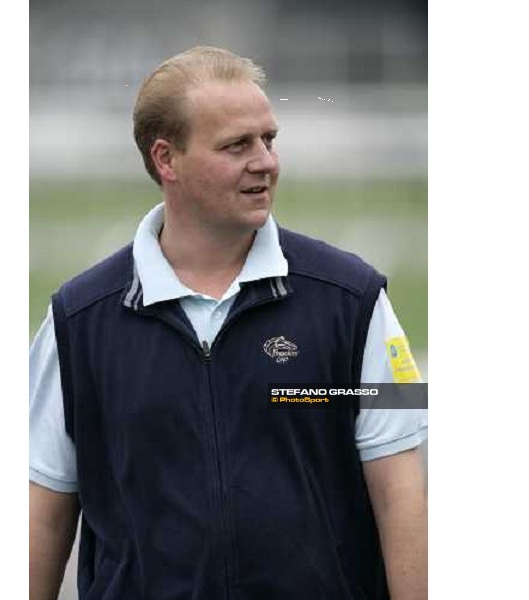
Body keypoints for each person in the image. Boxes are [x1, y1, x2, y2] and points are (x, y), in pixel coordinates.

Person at [29, 46, 427, 600]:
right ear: (166, 159)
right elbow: (41, 511)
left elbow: (403, 491)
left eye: (269, 139)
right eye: (237, 145)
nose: (265, 160)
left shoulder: (358, 300)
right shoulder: (75, 322)